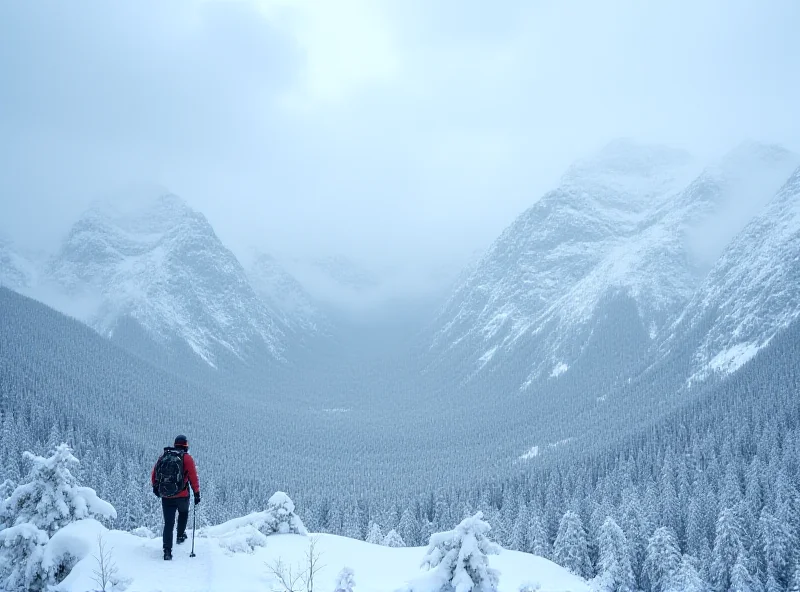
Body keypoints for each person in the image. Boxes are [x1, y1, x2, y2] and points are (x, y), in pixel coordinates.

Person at [151, 434, 200, 560]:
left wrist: (156, 487)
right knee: (183, 513)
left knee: (168, 523)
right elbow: (193, 477)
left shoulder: (164, 456)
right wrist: (196, 493)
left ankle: (167, 551)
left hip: (166, 495)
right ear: (186, 445)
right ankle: (180, 535)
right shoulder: (187, 458)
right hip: (182, 495)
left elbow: (154, 473)